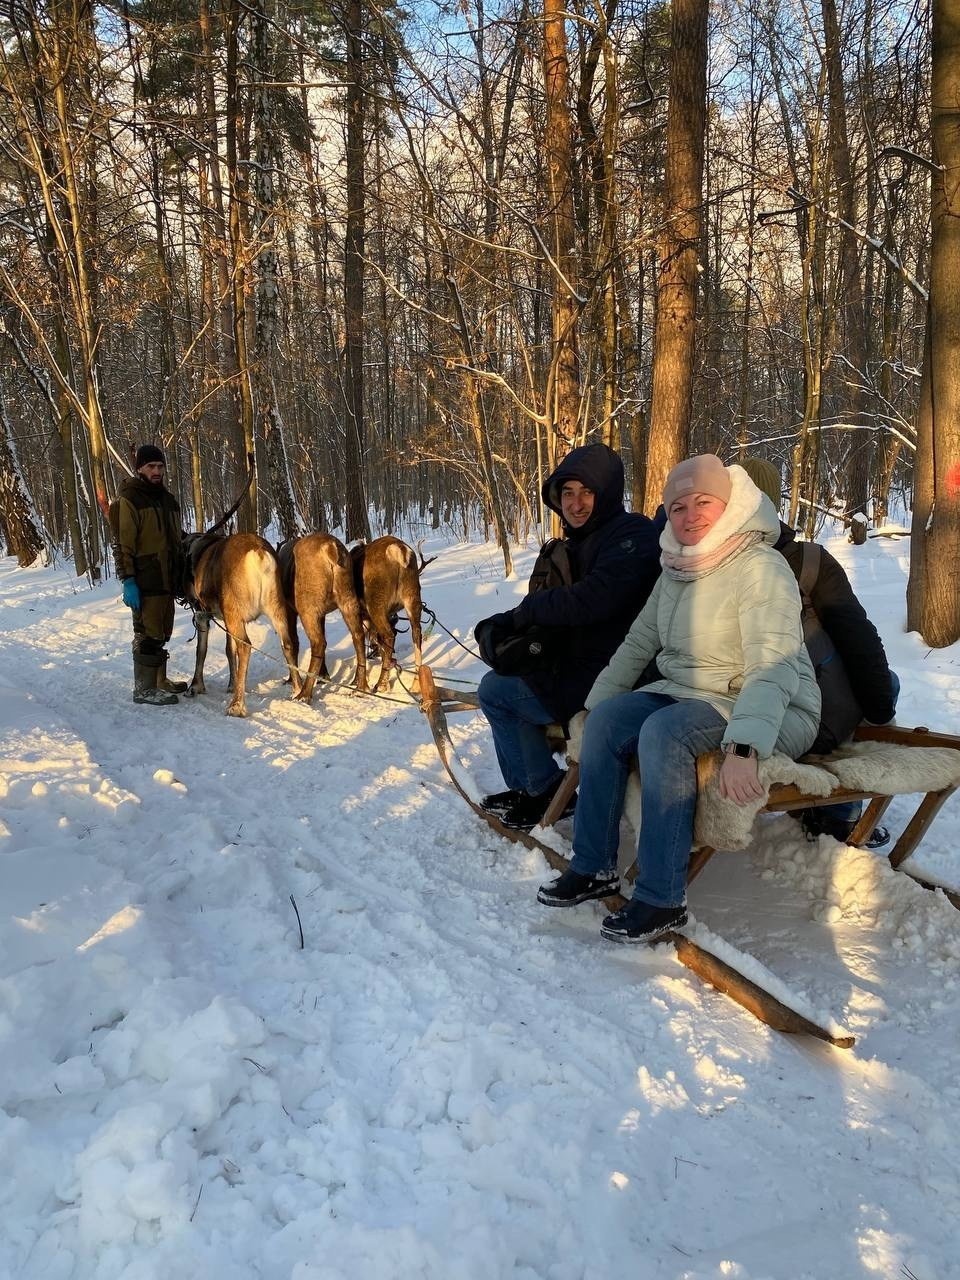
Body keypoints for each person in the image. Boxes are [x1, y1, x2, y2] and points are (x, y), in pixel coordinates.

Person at [537, 453, 821, 943]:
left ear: (729, 504)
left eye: (703, 503)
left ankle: (661, 896)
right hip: (688, 693)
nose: (690, 517)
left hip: (768, 705)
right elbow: (637, 645)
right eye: (678, 507)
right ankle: (594, 865)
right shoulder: (676, 566)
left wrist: (745, 748)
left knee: (663, 732)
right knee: (607, 722)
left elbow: (773, 667)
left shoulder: (760, 566)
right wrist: (593, 706)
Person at [474, 441, 661, 829]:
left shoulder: (633, 536)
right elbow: (555, 601)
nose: (575, 503)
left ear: (607, 493)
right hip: (581, 664)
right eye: (567, 493)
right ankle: (532, 788)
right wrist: (507, 625)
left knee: (497, 693)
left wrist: (524, 614)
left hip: (621, 675)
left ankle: (543, 790)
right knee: (505, 679)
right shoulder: (578, 541)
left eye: (587, 492)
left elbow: (594, 600)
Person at [739, 456, 899, 848]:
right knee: (883, 684)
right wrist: (879, 710)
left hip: (733, 724)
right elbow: (860, 642)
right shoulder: (810, 562)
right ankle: (838, 815)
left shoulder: (703, 562)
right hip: (801, 726)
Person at [111, 444, 187, 707]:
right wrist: (128, 579)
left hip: (168, 580)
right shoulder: (130, 499)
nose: (156, 471)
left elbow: (176, 539)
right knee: (147, 634)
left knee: (162, 633)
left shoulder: (168, 500)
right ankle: (143, 689)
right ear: (140, 468)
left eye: (160, 466)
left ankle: (158, 681)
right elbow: (123, 544)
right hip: (145, 580)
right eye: (151, 466)